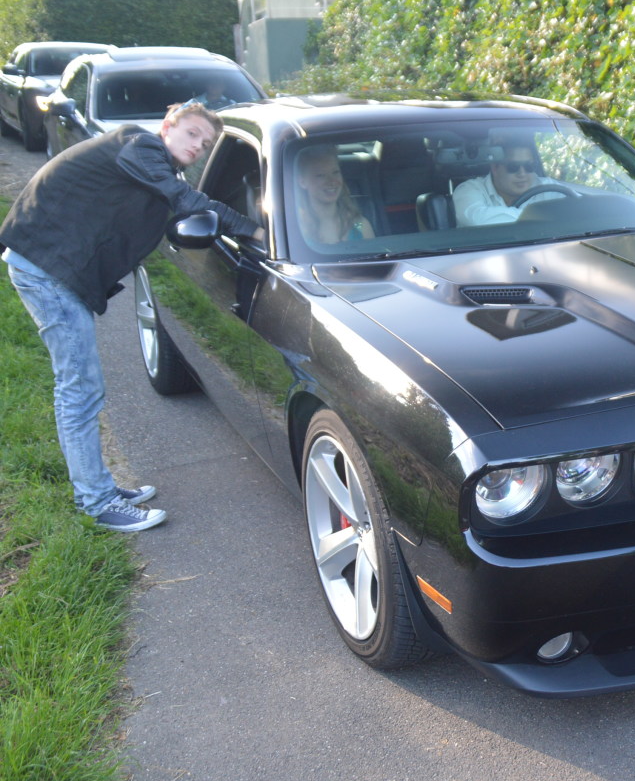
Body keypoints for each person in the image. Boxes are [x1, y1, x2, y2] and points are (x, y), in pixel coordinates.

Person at [0, 102, 262, 532]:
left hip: (52, 268)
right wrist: (254, 231)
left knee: (81, 386)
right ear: (167, 127)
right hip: (45, 271)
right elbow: (188, 202)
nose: (199, 146)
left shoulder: (149, 164)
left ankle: (97, 487)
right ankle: (97, 503)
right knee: (79, 388)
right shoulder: (137, 146)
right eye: (193, 134)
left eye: (207, 142)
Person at [451, 136, 560, 226]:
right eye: (513, 167)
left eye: (529, 166)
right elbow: (476, 221)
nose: (522, 173)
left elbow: (575, 209)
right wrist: (545, 214)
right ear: (495, 168)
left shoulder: (547, 187)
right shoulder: (468, 190)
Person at [294, 145, 374, 244]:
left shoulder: (360, 225)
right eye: (321, 175)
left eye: (335, 172)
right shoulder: (294, 230)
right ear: (302, 181)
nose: (332, 181)